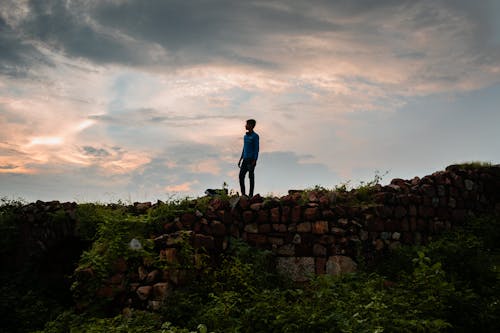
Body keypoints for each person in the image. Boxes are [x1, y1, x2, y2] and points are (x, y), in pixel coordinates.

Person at [238, 119, 259, 197]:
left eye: (247, 124)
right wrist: (240, 159)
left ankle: (251, 195)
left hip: (251, 160)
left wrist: (255, 160)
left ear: (251, 126)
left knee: (251, 177)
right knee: (241, 176)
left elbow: (256, 149)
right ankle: (243, 194)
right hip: (245, 159)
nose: (245, 126)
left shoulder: (255, 136)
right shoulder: (245, 137)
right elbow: (244, 148)